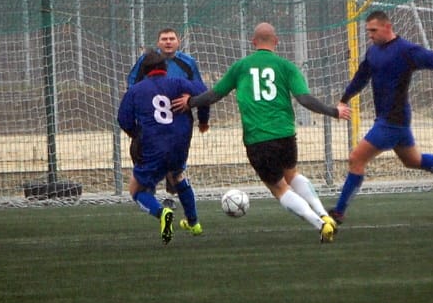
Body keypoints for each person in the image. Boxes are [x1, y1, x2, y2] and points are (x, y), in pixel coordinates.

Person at [172, 22, 351, 243]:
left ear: (253, 42)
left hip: (258, 139)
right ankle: (324, 215)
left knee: (278, 187)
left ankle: (321, 224)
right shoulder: (287, 66)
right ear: (276, 42)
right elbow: (304, 99)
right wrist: (334, 111)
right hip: (285, 134)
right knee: (292, 174)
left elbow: (214, 95)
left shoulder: (241, 66)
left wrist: (190, 102)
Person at [328, 10, 433, 224]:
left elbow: (429, 57)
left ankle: (338, 212)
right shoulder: (373, 52)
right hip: (394, 121)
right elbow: (361, 77)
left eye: (373, 30)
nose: (370, 35)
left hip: (392, 121)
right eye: (368, 31)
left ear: (387, 27)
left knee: (356, 158)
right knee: (413, 160)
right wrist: (345, 98)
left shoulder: (405, 50)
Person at [118, 52, 211, 244]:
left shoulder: (135, 90)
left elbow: (124, 120)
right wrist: (194, 106)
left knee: (136, 189)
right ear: (165, 68)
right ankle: (193, 223)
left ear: (144, 71)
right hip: (180, 143)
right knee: (177, 175)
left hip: (153, 146)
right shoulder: (178, 84)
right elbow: (205, 93)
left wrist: (138, 135)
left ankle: (162, 213)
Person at [127, 27, 209, 196]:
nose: (168, 42)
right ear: (158, 43)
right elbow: (132, 87)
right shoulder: (146, 61)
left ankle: (172, 195)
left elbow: (201, 91)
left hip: (179, 120)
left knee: (175, 166)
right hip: (151, 122)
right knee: (146, 159)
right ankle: (149, 194)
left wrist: (202, 118)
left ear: (178, 42)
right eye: (164, 39)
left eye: (172, 38)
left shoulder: (188, 62)